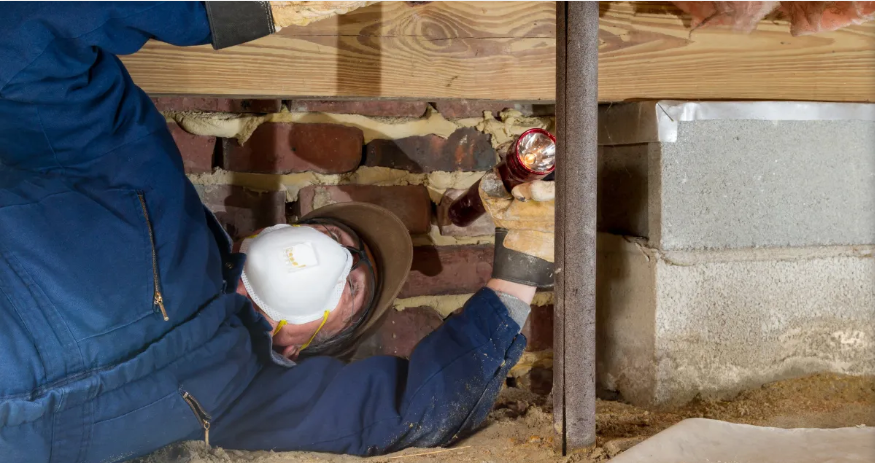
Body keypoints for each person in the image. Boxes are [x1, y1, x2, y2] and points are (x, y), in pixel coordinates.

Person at [0, 3, 556, 462]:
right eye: (334, 238)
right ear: (259, 239)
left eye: (354, 283)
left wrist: (520, 273)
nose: (337, 254)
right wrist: (252, 6)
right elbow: (30, 34)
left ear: (304, 344)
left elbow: (409, 413)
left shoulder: (250, 396)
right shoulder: (144, 180)